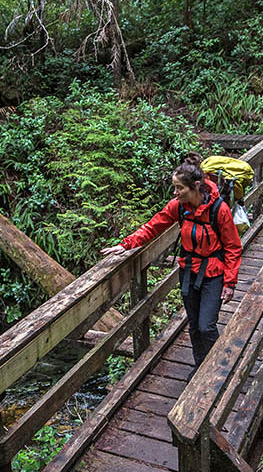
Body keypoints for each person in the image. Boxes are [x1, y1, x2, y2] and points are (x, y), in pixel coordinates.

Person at [101, 154, 243, 367]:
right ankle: (199, 366)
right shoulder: (178, 207)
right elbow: (153, 226)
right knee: (194, 325)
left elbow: (232, 246)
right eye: (174, 188)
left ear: (195, 186)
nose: (175, 193)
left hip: (213, 273)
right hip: (188, 272)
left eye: (179, 188)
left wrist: (230, 282)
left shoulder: (218, 209)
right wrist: (125, 245)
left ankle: (215, 370)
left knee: (207, 326)